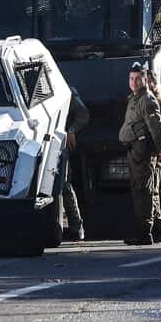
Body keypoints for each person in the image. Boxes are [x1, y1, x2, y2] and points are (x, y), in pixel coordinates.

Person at [118, 62, 161, 246]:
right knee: (140, 190)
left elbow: (157, 128)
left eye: (138, 79)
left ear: (145, 79)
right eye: (131, 79)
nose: (134, 82)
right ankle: (157, 229)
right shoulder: (134, 98)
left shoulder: (147, 100)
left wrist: (156, 150)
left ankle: (145, 232)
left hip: (142, 151)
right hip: (134, 150)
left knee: (142, 192)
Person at [145, 69, 161, 243]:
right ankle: (159, 225)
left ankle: (159, 225)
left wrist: (155, 150)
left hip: (155, 152)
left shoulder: (159, 103)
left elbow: (160, 131)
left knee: (153, 190)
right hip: (153, 151)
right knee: (152, 189)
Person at [62, 86, 90, 241]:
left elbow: (82, 114)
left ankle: (75, 225)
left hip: (59, 143)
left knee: (64, 184)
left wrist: (71, 130)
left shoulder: (63, 87)